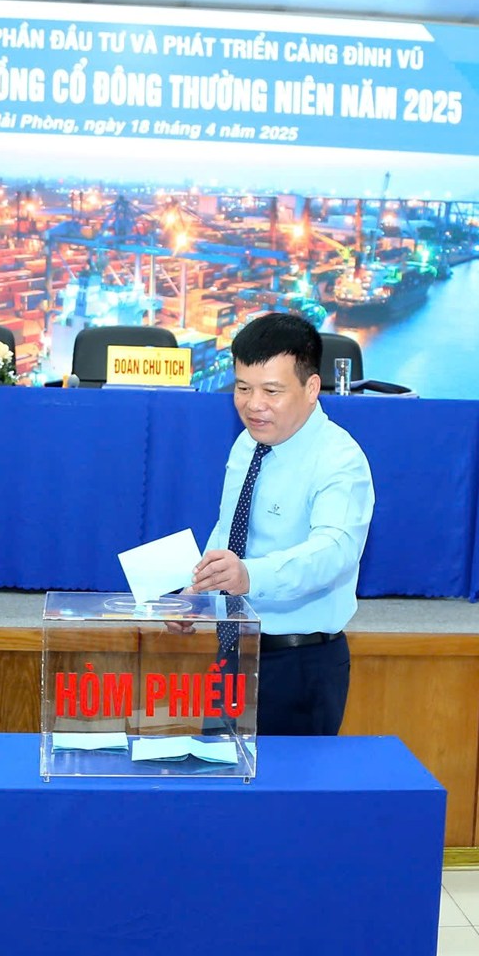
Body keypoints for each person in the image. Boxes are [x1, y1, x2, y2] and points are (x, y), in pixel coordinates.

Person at [188, 312, 374, 736]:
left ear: (311, 388)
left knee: (286, 780)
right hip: (232, 653)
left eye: (271, 391)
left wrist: (250, 576)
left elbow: (333, 553)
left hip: (298, 664)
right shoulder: (247, 444)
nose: (254, 405)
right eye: (242, 388)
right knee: (216, 772)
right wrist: (197, 591)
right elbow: (230, 530)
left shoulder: (339, 460)